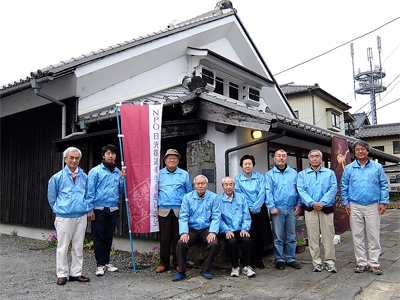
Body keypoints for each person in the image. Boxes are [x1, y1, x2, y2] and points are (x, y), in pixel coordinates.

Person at [340, 141, 389, 275]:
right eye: (357, 150)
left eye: (362, 149)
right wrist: (345, 203)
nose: (360, 152)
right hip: (354, 205)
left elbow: (384, 185)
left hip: (373, 204)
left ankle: (374, 263)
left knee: (373, 235)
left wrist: (383, 202)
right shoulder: (349, 168)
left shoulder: (377, 167)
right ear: (354, 152)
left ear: (367, 151)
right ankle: (361, 262)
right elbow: (343, 187)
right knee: (357, 234)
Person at [47, 147, 91, 285]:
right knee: (63, 246)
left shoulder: (84, 177)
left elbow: (88, 195)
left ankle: (76, 273)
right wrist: (58, 209)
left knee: (78, 246)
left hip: (81, 215)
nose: (74, 160)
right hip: (64, 216)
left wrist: (86, 208)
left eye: (77, 158)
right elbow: (51, 197)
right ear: (65, 159)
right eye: (71, 157)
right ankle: (62, 274)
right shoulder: (57, 177)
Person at [87, 144, 125, 276]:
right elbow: (90, 191)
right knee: (98, 237)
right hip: (98, 208)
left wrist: (123, 179)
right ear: (103, 155)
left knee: (109, 237)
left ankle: (107, 262)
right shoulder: (95, 171)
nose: (111, 156)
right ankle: (100, 264)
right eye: (108, 153)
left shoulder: (117, 172)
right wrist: (89, 209)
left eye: (113, 153)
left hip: (113, 208)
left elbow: (122, 191)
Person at [173, 175, 221, 281]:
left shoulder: (214, 197)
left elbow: (216, 216)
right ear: (194, 186)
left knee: (214, 244)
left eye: (202, 183)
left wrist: (212, 232)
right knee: (181, 243)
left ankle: (205, 269)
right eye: (198, 184)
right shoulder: (187, 197)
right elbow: (183, 216)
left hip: (206, 228)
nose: (200, 186)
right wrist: (184, 232)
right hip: (192, 229)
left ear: (207, 185)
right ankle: (181, 270)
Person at [297, 149, 338, 273]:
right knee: (313, 236)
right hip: (310, 208)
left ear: (321, 159)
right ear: (309, 159)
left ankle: (330, 261)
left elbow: (333, 188)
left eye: (317, 156)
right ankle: (316, 262)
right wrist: (312, 203)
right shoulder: (302, 174)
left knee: (328, 236)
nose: (314, 159)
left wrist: (322, 203)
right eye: (312, 157)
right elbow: (301, 190)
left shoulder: (330, 173)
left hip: (326, 208)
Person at [156, 149, 192, 273]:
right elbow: (155, 192)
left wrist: (188, 209)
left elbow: (188, 193)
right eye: (169, 158)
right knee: (164, 238)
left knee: (179, 238)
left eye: (174, 158)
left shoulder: (184, 174)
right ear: (165, 161)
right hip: (164, 209)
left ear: (178, 160)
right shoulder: (159, 174)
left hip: (179, 210)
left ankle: (178, 262)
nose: (172, 160)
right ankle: (164, 263)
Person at [265, 149, 302, 270]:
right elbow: (268, 191)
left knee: (291, 236)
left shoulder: (294, 173)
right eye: (278, 156)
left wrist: (299, 204)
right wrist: (271, 207)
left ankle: (291, 258)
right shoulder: (270, 174)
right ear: (274, 159)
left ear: (286, 158)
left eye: (283, 156)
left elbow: (299, 189)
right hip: (277, 209)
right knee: (278, 237)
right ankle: (279, 259)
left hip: (292, 209)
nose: (281, 158)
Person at [234, 154, 272, 269]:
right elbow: (239, 194)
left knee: (261, 234)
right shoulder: (237, 179)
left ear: (253, 165)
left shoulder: (260, 177)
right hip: (246, 210)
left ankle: (259, 259)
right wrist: (249, 207)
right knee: (250, 235)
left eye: (249, 163)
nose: (247, 166)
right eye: (245, 164)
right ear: (241, 166)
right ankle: (250, 260)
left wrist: (256, 207)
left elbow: (262, 192)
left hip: (260, 209)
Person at [218, 177, 255, 278]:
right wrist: (226, 230)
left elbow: (246, 216)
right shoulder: (218, 200)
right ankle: (235, 267)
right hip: (227, 230)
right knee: (232, 241)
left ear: (234, 186)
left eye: (231, 184)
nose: (229, 187)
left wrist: (244, 229)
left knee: (247, 240)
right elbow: (218, 218)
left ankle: (246, 266)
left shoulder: (241, 198)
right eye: (226, 184)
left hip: (239, 229)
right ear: (222, 186)